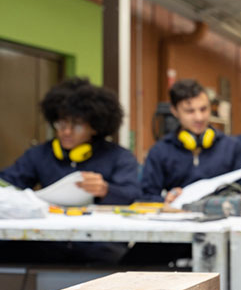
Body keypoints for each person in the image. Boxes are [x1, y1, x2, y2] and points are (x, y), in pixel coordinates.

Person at [0, 77, 139, 262]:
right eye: (61, 124)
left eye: (77, 125)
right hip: (48, 243)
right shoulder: (39, 154)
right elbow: (7, 184)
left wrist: (106, 190)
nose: (66, 132)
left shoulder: (119, 157)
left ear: (95, 127)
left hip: (99, 245)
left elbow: (134, 195)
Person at [140, 79, 241, 204]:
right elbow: (146, 196)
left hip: (224, 218)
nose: (199, 117)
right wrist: (165, 201)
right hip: (179, 219)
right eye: (190, 111)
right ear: (174, 111)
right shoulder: (160, 151)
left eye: (203, 109)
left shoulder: (231, 146)